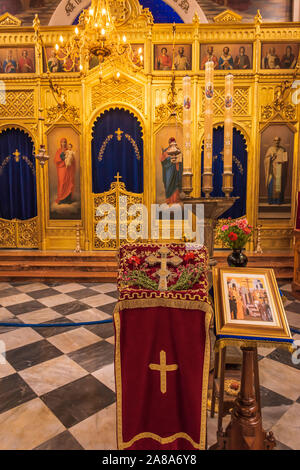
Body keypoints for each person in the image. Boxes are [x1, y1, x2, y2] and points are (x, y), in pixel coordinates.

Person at [264, 136, 288, 205]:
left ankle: (278, 201)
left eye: (278, 140)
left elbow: (285, 160)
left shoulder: (283, 149)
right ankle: (271, 201)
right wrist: (271, 158)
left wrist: (282, 161)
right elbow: (266, 159)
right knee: (271, 185)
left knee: (278, 185)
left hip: (279, 169)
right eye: (275, 140)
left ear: (280, 141)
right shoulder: (270, 149)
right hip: (271, 170)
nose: (277, 142)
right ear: (273, 141)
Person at [160, 137, 183, 205]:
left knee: (175, 185)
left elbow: (181, 159)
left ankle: (175, 200)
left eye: (174, 142)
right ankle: (169, 200)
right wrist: (167, 158)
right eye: (171, 142)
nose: (173, 144)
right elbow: (162, 160)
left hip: (176, 170)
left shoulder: (178, 150)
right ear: (169, 143)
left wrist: (178, 160)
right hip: (168, 171)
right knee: (168, 184)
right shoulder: (166, 151)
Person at [54, 137, 76, 205]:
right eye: (62, 142)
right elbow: (56, 160)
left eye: (65, 142)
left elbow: (73, 160)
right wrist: (62, 159)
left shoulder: (68, 150)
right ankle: (61, 198)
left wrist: (69, 160)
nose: (63, 143)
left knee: (68, 182)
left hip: (68, 169)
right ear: (60, 143)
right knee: (62, 182)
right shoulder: (58, 151)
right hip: (61, 169)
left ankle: (68, 199)